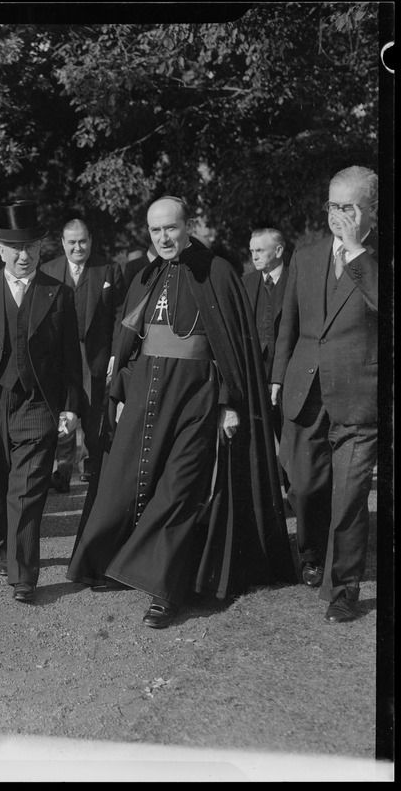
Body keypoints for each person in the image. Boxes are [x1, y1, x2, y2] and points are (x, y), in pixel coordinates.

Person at [66, 195, 295, 628]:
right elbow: (127, 342)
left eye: (171, 228)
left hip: (198, 399)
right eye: (155, 231)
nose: (164, 237)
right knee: (125, 480)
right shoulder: (146, 274)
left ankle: (164, 591)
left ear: (186, 225)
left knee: (179, 490)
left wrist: (230, 404)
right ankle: (119, 562)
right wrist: (116, 393)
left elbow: (233, 350)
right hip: (146, 393)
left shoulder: (218, 272)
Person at [0, 200, 84, 603]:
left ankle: (24, 575)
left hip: (36, 405)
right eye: (15, 249)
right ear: (0, 250)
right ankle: (4, 550)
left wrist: (71, 405)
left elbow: (69, 359)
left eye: (31, 248)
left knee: (26, 493)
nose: (23, 256)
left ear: (41, 249)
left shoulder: (58, 294)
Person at [270, 166, 379, 624]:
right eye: (333, 206)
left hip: (359, 394)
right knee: (305, 485)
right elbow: (288, 324)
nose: (338, 217)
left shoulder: (376, 258)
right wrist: (277, 375)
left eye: (349, 208)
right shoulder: (307, 255)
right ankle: (311, 553)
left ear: (372, 209)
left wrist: (356, 251)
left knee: (350, 496)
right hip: (305, 388)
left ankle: (344, 587)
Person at [40, 218, 124, 492]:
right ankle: (60, 473)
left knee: (93, 416)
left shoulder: (109, 270)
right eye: (72, 242)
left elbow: (120, 316)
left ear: (91, 240)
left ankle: (91, 469)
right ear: (63, 243)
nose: (78, 247)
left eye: (83, 241)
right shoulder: (48, 270)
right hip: (60, 358)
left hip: (96, 358)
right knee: (64, 413)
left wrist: (115, 353)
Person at [242, 228, 289, 490]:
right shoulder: (247, 282)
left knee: (292, 448)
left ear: (279, 251)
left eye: (260, 250)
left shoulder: (298, 279)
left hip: (289, 378)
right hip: (256, 377)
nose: (254, 256)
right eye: (252, 251)